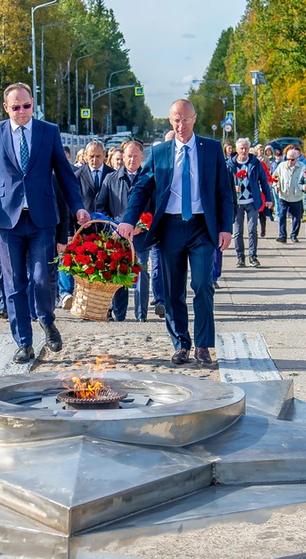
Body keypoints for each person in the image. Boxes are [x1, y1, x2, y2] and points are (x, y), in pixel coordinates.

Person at [0, 82, 90, 364]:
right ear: (6, 108)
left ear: (32, 104)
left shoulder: (48, 132)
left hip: (42, 219)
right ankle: (24, 342)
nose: (22, 112)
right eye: (16, 107)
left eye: (27, 106)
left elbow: (64, 173)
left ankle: (47, 321)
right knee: (14, 284)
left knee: (40, 279)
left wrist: (78, 208)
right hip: (7, 221)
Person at [117, 99, 234, 366]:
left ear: (194, 118)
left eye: (185, 119)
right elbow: (142, 189)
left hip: (202, 227)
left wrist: (226, 227)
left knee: (203, 284)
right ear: (170, 121)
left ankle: (203, 345)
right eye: (175, 120)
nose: (181, 125)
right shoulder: (160, 153)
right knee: (172, 290)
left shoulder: (212, 149)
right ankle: (181, 343)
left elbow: (224, 192)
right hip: (170, 227)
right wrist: (128, 219)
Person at [96, 140, 166, 322]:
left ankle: (141, 316)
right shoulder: (111, 179)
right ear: (123, 157)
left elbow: (156, 208)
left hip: (141, 236)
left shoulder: (150, 179)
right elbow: (101, 207)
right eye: (128, 156)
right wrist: (112, 227)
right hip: (117, 236)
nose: (132, 160)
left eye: (136, 156)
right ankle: (120, 316)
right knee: (119, 274)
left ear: (142, 157)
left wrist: (141, 226)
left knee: (141, 274)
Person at [228, 137, 272, 267]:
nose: (244, 151)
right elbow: (224, 182)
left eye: (246, 148)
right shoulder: (230, 164)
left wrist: (268, 198)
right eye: (241, 148)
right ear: (237, 149)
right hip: (237, 203)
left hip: (252, 201)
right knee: (238, 231)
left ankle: (253, 256)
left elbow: (263, 180)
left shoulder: (254, 163)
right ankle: (240, 257)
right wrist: (232, 188)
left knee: (252, 229)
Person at [272, 147, 305, 243]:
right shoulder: (281, 166)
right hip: (284, 195)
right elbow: (274, 177)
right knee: (282, 215)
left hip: (296, 196)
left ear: (297, 158)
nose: (290, 161)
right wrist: (276, 185)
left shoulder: (302, 167)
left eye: (292, 159)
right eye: (288, 159)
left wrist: (304, 186)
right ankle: (282, 235)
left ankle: (294, 235)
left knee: (296, 217)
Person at [75, 140, 114, 214]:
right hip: (86, 221)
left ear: (104, 154)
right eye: (91, 156)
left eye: (98, 156)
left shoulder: (113, 174)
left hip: (108, 221)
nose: (95, 160)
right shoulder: (78, 175)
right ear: (86, 155)